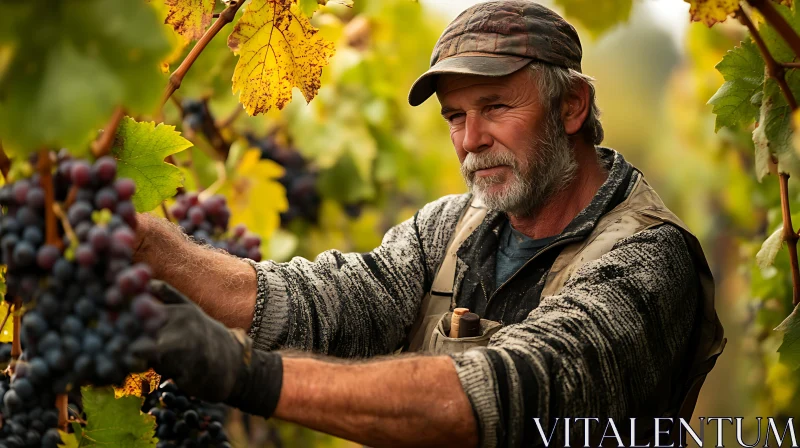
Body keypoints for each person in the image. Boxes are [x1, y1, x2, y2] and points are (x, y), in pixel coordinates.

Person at [136, 2, 727, 447]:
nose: (470, 142)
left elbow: (515, 392)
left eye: (495, 107)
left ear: (571, 106)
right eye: (456, 117)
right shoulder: (449, 227)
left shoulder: (648, 258)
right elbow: (340, 300)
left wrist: (248, 377)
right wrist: (160, 249)